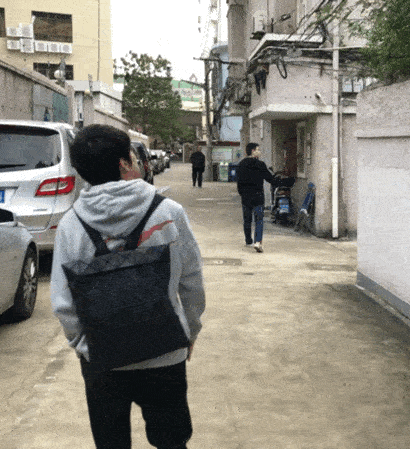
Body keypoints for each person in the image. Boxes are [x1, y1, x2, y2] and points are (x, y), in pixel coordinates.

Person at [50, 124, 206, 449]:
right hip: (164, 352)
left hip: (103, 359)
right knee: (171, 441)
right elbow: (191, 282)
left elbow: (63, 303)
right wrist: (189, 331)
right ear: (124, 163)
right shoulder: (168, 213)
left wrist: (84, 345)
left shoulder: (70, 225)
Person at [236, 142, 274, 252]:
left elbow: (239, 182)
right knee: (259, 220)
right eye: (258, 149)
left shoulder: (241, 164)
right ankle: (258, 242)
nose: (259, 152)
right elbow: (269, 178)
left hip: (246, 196)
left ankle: (248, 240)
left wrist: (242, 193)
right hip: (258, 196)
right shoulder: (260, 164)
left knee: (247, 220)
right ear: (253, 151)